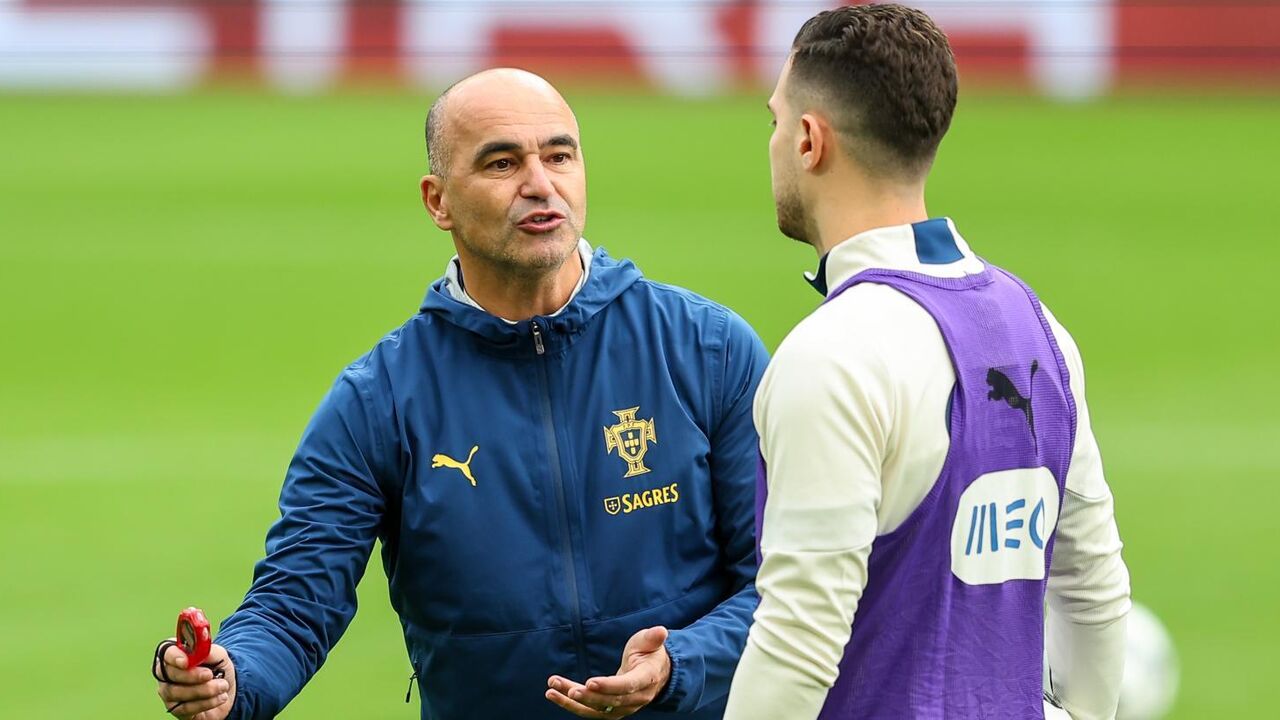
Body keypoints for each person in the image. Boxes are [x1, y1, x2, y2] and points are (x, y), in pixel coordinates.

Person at [152, 68, 767, 720]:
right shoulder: (378, 401)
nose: (540, 183)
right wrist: (231, 678)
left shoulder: (707, 350)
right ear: (437, 201)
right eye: (502, 162)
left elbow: (788, 583)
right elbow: (296, 600)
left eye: (559, 155)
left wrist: (680, 665)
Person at [723, 6, 1131, 720]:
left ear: (811, 141)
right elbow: (1094, 589)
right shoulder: (1039, 329)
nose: (775, 140)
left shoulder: (834, 356)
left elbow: (798, 643)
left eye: (776, 120)